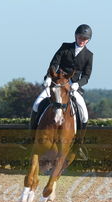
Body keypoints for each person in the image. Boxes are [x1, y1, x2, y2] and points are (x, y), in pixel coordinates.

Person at [30, 24, 93, 159]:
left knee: (84, 114)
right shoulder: (65, 47)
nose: (82, 39)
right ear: (76, 36)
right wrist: (48, 77)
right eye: (80, 36)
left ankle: (78, 145)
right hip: (57, 83)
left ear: (88, 40)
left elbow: (87, 76)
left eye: (85, 38)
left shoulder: (89, 55)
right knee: (36, 104)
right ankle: (31, 138)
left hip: (73, 86)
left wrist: (77, 84)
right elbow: (54, 63)